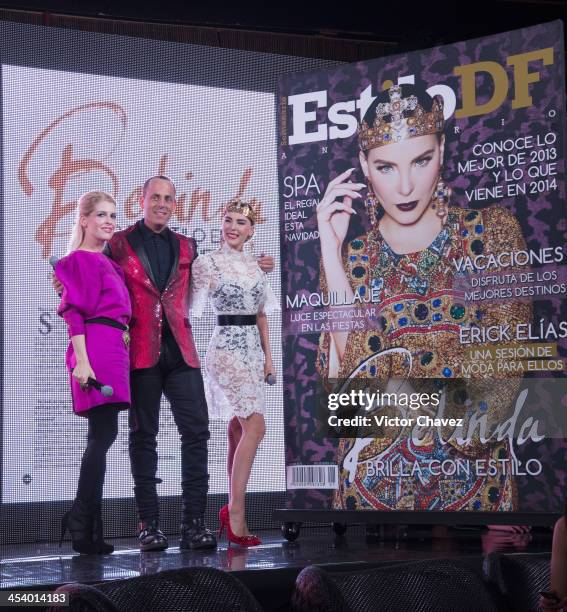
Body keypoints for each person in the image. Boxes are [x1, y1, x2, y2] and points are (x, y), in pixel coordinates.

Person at [316, 83, 532, 513]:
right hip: (372, 496)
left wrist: (396, 392)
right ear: (364, 165)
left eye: (420, 160)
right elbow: (347, 396)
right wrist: (330, 251)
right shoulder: (351, 256)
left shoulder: (492, 233)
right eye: (386, 167)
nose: (406, 185)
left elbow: (497, 391)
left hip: (474, 495)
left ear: (442, 148)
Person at [55, 176, 275, 551]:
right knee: (143, 438)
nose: (162, 203)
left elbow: (221, 270)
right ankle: (149, 525)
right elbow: (84, 271)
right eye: (155, 197)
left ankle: (194, 525)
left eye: (168, 199)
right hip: (140, 352)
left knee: (197, 433)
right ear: (141, 201)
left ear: (175, 205)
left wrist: (254, 262)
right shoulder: (118, 244)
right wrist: (60, 283)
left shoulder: (187, 246)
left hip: (183, 351)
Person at [190, 198, 278, 546]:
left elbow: (261, 314)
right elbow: (187, 302)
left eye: (241, 222)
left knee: (236, 428)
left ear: (251, 230)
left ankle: (231, 508)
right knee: (256, 426)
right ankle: (236, 515)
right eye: (228, 220)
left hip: (254, 351)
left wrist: (270, 358)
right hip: (225, 348)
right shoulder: (208, 263)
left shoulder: (257, 267)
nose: (233, 227)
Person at [57, 191, 131, 554]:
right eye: (101, 214)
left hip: (113, 346)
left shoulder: (107, 262)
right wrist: (83, 362)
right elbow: (74, 313)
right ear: (83, 220)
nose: (108, 221)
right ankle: (82, 521)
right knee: (102, 436)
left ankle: (88, 530)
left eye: (112, 215)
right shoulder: (81, 260)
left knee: (101, 437)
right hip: (96, 348)